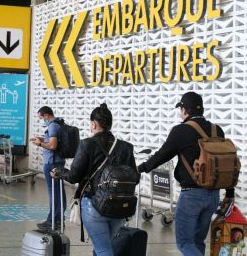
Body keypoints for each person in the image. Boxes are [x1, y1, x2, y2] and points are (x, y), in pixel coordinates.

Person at [137, 92, 235, 256]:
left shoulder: (181, 130)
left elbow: (162, 155)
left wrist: (142, 168)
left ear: (184, 110)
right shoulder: (217, 130)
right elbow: (227, 162)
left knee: (184, 243)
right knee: (197, 242)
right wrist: (230, 193)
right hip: (213, 196)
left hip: (191, 196)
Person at [51, 103, 137, 256]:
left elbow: (73, 176)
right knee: (103, 246)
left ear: (93, 124)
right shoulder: (126, 147)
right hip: (120, 207)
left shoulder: (87, 144)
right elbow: (135, 177)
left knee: (103, 249)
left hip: (94, 205)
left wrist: (59, 171)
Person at [31, 106, 66, 230]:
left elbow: (52, 145)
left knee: (54, 193)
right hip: (57, 162)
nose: (42, 120)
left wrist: (40, 143)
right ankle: (58, 219)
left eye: (41, 117)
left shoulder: (52, 126)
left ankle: (53, 220)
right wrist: (41, 139)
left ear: (46, 115)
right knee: (58, 192)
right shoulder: (58, 125)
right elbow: (52, 141)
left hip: (52, 163)